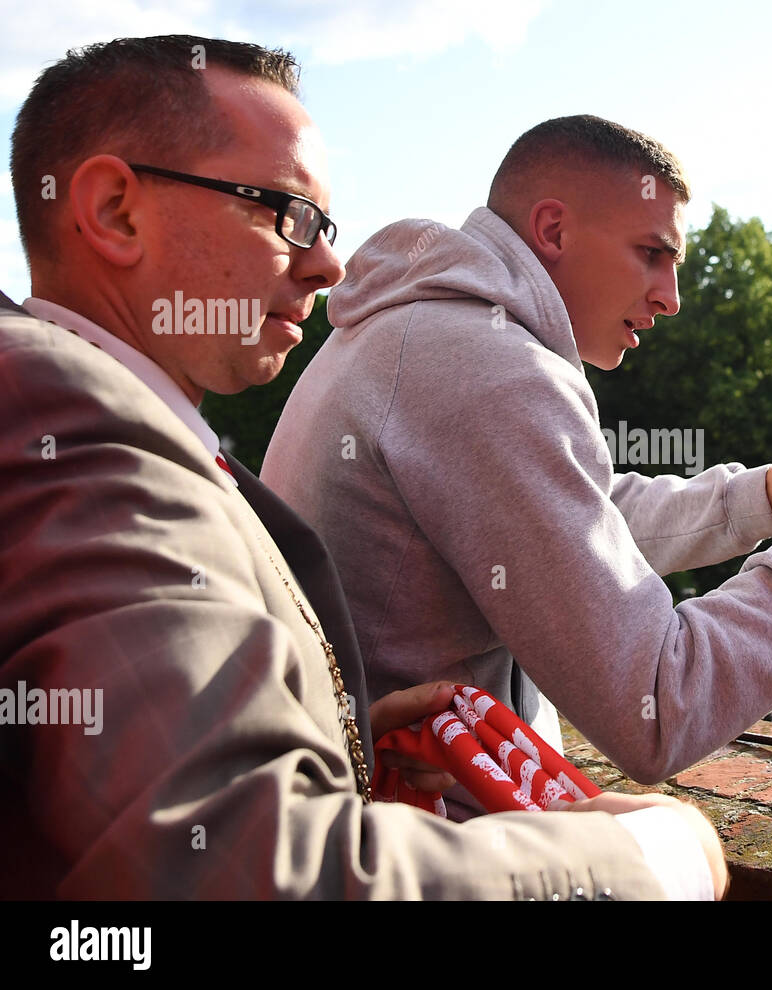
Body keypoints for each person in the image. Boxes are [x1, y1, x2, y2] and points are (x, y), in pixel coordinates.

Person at [0, 37, 724, 899]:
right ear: (117, 210)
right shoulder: (83, 440)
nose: (328, 264)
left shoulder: (84, 424)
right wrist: (644, 864)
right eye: (284, 211)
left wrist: (338, 748)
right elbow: (243, 873)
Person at [262, 114, 772, 801]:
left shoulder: (423, 331)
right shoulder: (490, 368)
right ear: (553, 230)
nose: (670, 298)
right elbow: (659, 707)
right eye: (652, 253)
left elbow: (575, 519)